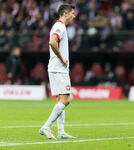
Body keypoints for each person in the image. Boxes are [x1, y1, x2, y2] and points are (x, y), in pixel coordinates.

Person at [39, 3, 76, 140]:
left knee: (60, 100)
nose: (74, 15)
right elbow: (52, 42)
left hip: (54, 67)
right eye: (72, 13)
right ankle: (46, 126)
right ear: (65, 13)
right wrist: (62, 59)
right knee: (66, 99)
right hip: (59, 68)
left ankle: (61, 131)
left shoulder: (58, 26)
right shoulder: (60, 26)